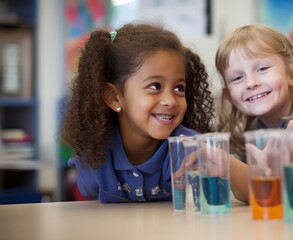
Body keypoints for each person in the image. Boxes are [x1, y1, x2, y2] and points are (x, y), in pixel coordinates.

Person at [59, 23, 218, 203]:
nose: (171, 100)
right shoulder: (94, 154)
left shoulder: (190, 150)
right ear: (114, 97)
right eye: (155, 86)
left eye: (179, 88)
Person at [215, 24, 293, 161]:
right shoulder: (249, 135)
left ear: (292, 74)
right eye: (237, 78)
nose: (251, 83)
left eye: (262, 69)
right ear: (229, 96)